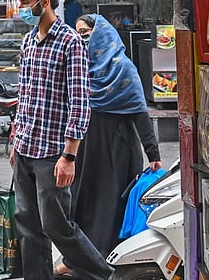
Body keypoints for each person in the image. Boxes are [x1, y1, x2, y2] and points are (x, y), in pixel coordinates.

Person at [9, 0, 113, 280]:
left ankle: (103, 274)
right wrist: (15, 140)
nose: (20, 9)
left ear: (44, 2)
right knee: (28, 226)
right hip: (26, 146)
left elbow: (81, 102)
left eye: (25, 3)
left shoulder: (70, 43)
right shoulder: (28, 42)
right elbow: (24, 95)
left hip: (52, 153)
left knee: (56, 225)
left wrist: (69, 156)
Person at [57, 14, 162, 264]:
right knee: (83, 199)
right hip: (85, 146)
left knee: (112, 201)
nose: (81, 40)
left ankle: (111, 256)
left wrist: (153, 153)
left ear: (101, 34)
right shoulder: (79, 67)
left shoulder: (123, 68)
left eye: (85, 34)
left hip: (119, 147)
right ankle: (82, 257)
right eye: (78, 34)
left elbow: (139, 112)